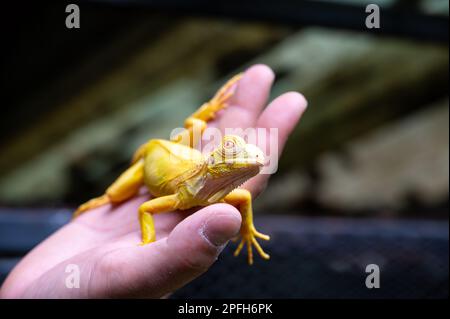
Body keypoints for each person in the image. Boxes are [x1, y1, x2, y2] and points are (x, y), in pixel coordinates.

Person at [0, 64, 307, 298]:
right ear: (216, 166)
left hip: (178, 153)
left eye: (251, 160)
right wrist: (148, 243)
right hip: (154, 156)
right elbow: (145, 210)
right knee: (116, 196)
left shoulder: (228, 195)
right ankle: (106, 197)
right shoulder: (181, 197)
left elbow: (245, 198)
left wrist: (248, 229)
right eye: (234, 158)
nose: (252, 163)